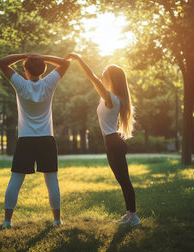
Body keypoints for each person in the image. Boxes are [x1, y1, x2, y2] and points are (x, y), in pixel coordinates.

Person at [0, 53, 70, 228]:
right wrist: (42, 56)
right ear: (44, 69)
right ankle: (57, 220)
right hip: (46, 139)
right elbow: (65, 62)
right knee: (51, 180)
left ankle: (7, 221)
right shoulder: (49, 83)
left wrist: (25, 55)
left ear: (26, 70)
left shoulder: (21, 84)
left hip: (26, 140)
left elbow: (1, 62)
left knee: (16, 179)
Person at [66, 53, 140, 225]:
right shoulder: (110, 97)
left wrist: (79, 59)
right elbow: (96, 79)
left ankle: (134, 217)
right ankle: (129, 213)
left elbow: (92, 77)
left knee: (125, 180)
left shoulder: (111, 99)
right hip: (111, 143)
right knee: (121, 180)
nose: (102, 75)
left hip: (114, 143)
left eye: (105, 73)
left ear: (111, 78)